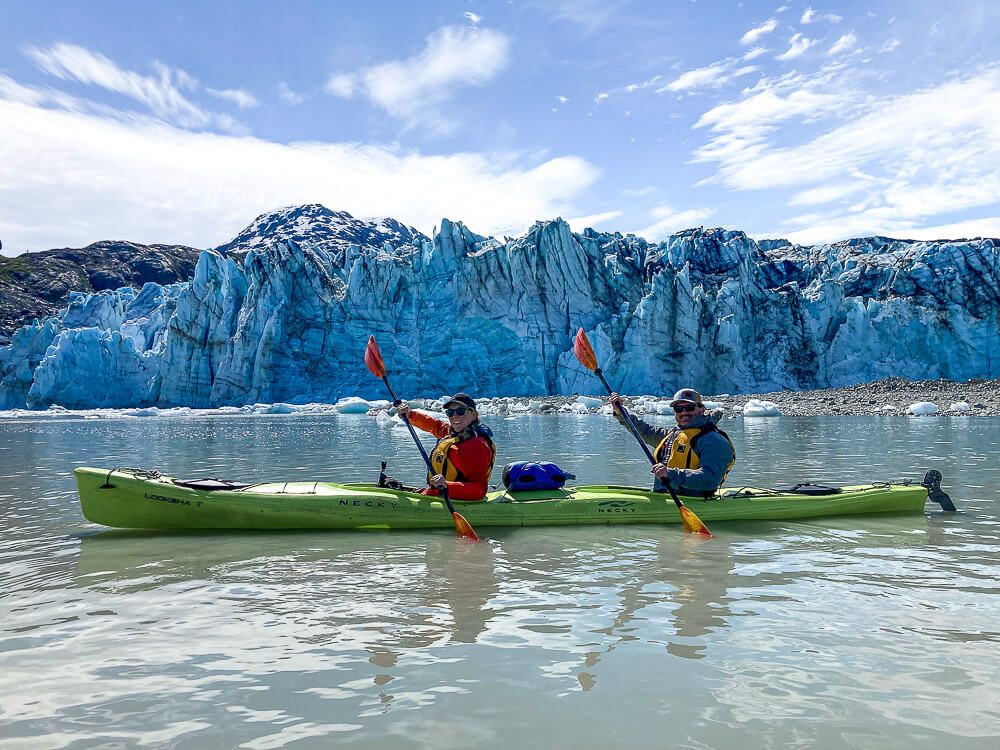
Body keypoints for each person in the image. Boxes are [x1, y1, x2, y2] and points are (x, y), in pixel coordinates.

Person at [609, 388, 735, 497]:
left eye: (689, 408)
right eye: (678, 409)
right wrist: (621, 412)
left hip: (695, 500)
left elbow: (710, 479)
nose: (684, 412)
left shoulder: (714, 441)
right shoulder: (672, 435)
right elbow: (645, 432)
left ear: (701, 410)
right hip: (665, 496)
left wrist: (670, 474)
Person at [395, 393, 496, 501]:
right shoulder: (452, 434)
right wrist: (409, 415)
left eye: (460, 411)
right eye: (450, 412)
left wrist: (447, 486)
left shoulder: (476, 446)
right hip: (441, 494)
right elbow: (434, 425)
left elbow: (479, 489)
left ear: (473, 415)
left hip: (458, 500)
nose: (455, 416)